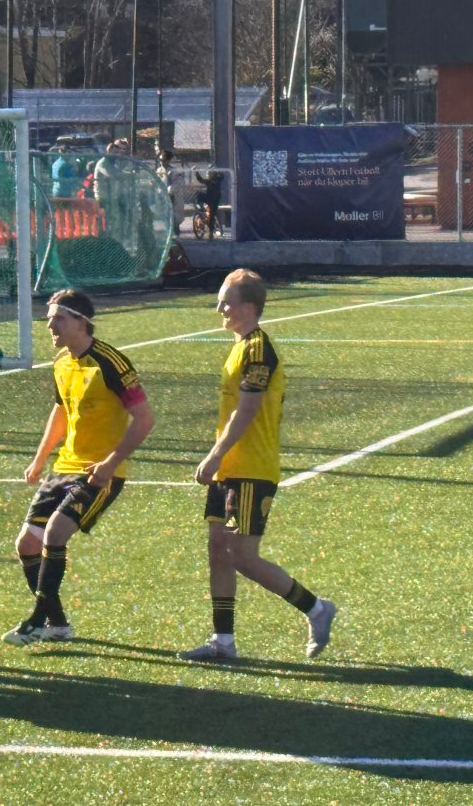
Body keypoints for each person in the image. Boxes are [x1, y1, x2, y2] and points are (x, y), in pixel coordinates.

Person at [180, 269, 336, 661]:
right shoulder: (239, 347)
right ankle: (223, 641)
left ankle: (316, 608)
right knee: (218, 550)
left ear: (249, 306)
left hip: (252, 468)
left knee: (242, 556)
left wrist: (214, 455)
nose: (220, 309)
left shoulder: (258, 350)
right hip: (229, 470)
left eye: (226, 302)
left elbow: (247, 410)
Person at [4, 288, 155, 645]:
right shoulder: (61, 363)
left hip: (99, 473)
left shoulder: (110, 362)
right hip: (64, 467)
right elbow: (61, 411)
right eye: (49, 319)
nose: (50, 326)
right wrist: (40, 459)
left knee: (55, 533)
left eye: (58, 318)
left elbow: (145, 419)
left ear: (82, 322)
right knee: (27, 544)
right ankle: (57, 625)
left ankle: (36, 620)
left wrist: (111, 463)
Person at [194, 167, 225, 240]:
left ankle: (210, 232)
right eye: (208, 173)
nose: (208, 175)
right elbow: (201, 180)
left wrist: (219, 171)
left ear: (213, 174)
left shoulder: (217, 179)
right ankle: (200, 206)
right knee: (198, 194)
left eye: (209, 173)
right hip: (208, 197)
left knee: (211, 216)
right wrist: (196, 173)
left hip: (214, 201)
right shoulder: (208, 181)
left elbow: (222, 176)